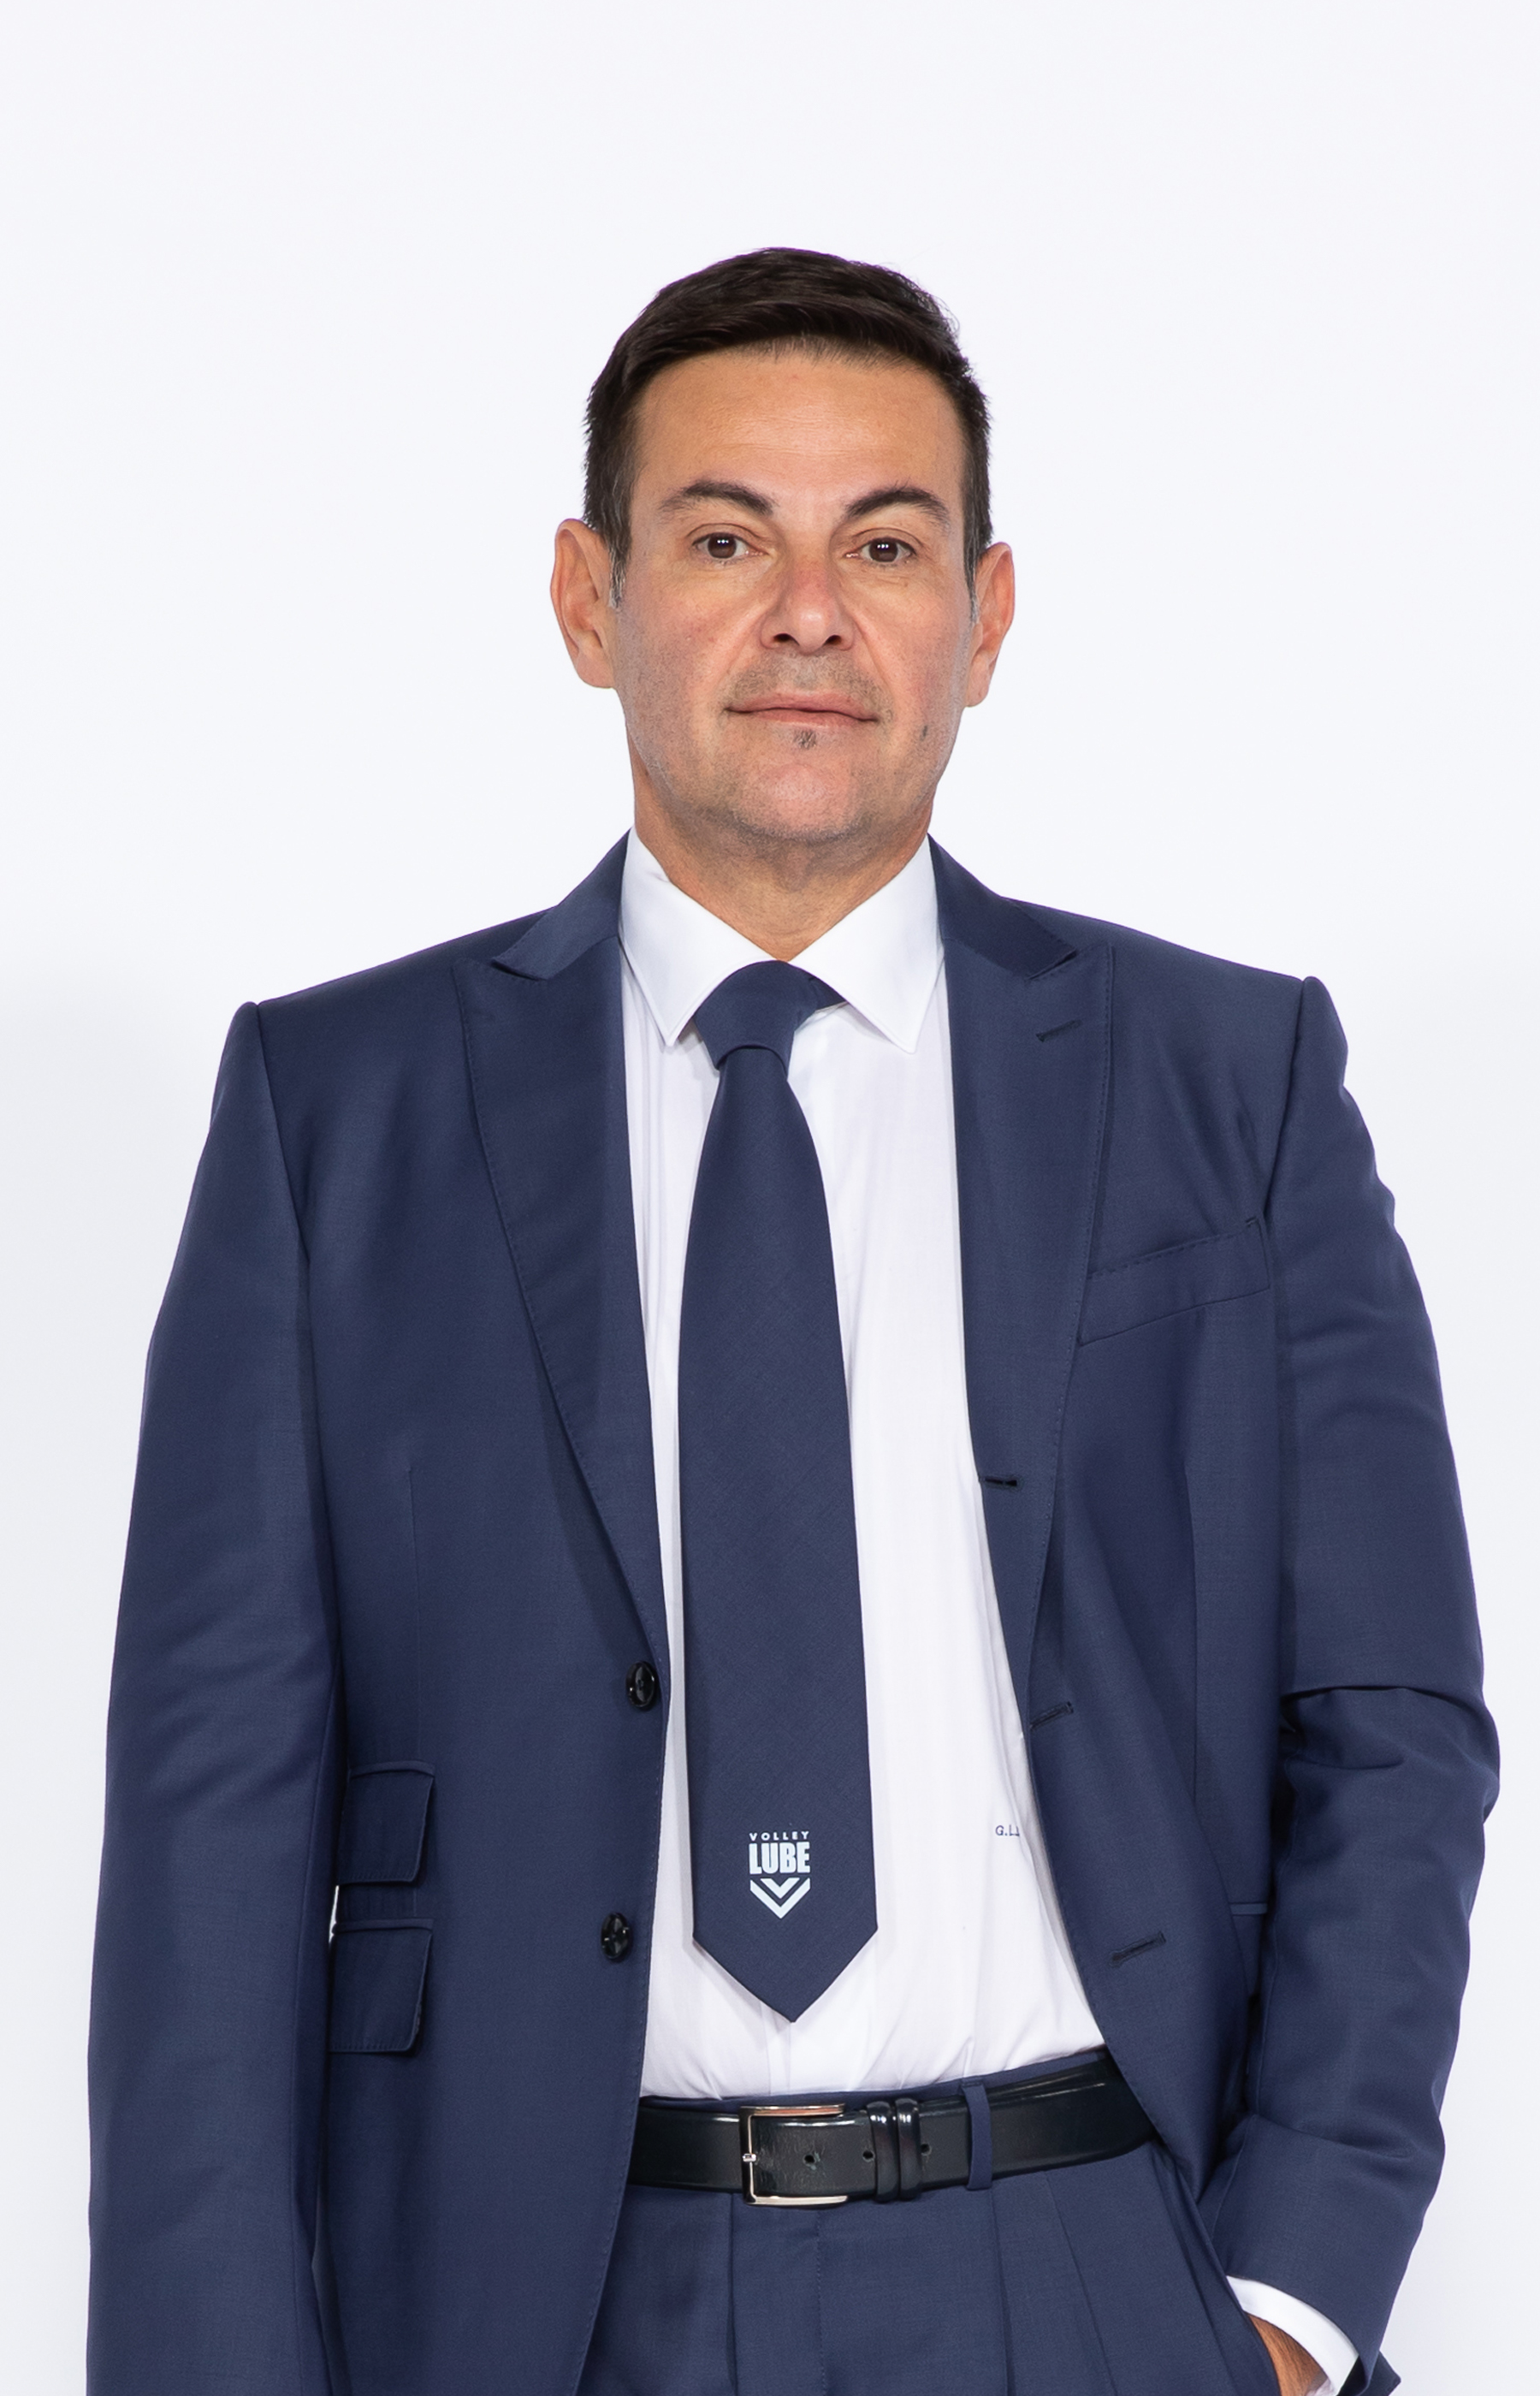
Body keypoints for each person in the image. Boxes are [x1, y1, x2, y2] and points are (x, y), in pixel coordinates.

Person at [87, 248, 1496, 2396]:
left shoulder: (1234, 1081)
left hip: (1095, 2266)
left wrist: (1291, 2296)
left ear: (987, 618)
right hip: (536, 2304)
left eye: (888, 545)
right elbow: (210, 1830)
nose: (812, 613)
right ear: (590, 598)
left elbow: (1392, 1719)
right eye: (728, 538)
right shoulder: (334, 1114)